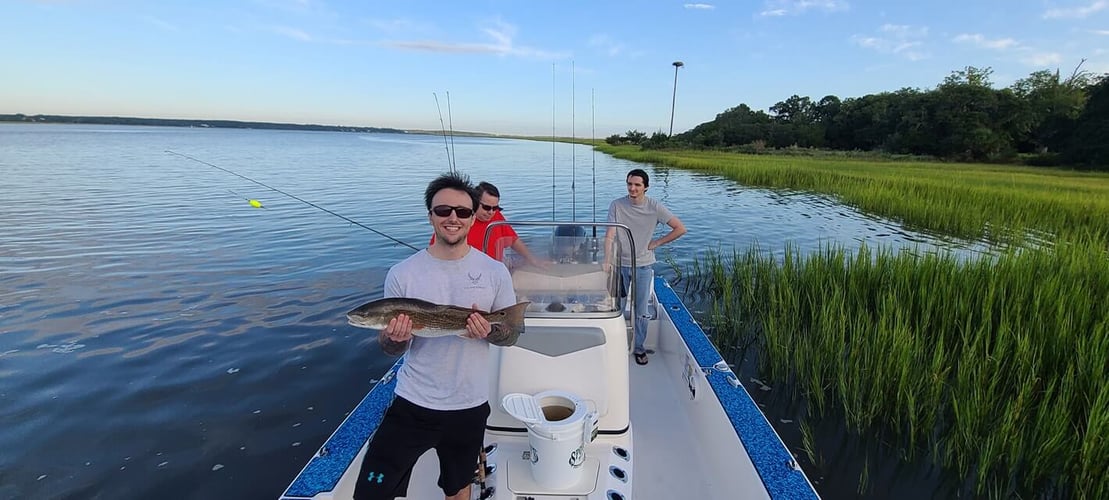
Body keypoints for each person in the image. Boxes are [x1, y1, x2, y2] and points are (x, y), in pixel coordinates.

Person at [354, 172, 518, 500]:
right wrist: (396, 337)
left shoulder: (495, 272)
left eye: (462, 211)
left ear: (474, 218)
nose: (452, 218)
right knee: (370, 491)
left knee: (458, 488)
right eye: (443, 211)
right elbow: (389, 349)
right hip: (412, 402)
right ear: (430, 215)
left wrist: (488, 332)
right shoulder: (402, 273)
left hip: (469, 406)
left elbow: (510, 334)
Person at [604, 168, 686, 366]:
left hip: (643, 265)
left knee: (641, 310)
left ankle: (639, 348)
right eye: (630, 184)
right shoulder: (617, 205)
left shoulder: (655, 207)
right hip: (619, 264)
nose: (632, 188)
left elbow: (680, 228)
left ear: (645, 187)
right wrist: (607, 260)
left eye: (637, 185)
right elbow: (610, 235)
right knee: (617, 307)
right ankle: (615, 344)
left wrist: (656, 243)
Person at [430, 181, 542, 267]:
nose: (491, 212)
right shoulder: (459, 223)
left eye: (495, 208)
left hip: (494, 267)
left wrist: (532, 260)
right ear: (474, 203)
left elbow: (513, 239)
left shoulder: (496, 216)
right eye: (486, 207)